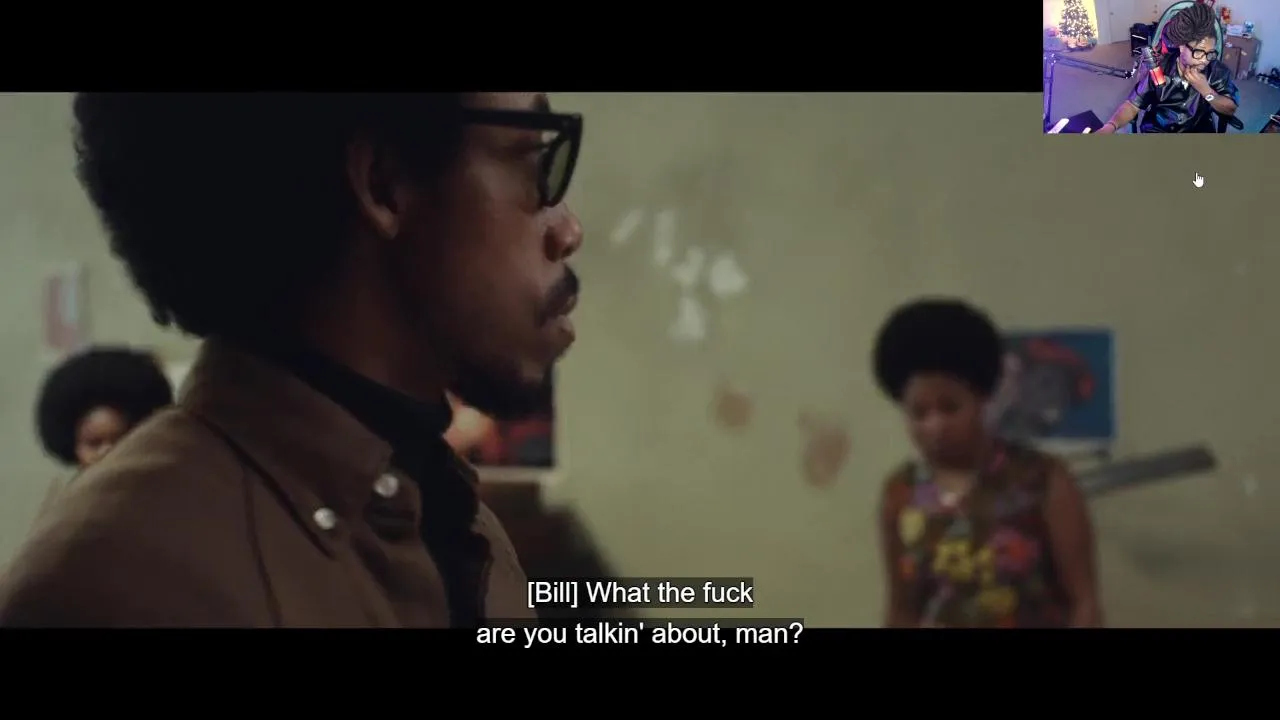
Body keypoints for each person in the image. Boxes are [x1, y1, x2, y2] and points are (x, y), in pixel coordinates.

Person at [0, 92, 585, 627]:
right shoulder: (118, 586)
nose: (568, 230)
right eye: (533, 159)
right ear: (384, 183)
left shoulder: (456, 524)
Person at [872, 298, 1102, 628]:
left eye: (950, 408)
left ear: (981, 399)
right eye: (919, 413)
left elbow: (1084, 602)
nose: (935, 427)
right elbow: (902, 610)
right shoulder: (901, 494)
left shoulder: (1042, 480)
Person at [32, 346, 173, 515]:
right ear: (74, 448)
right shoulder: (65, 516)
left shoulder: (171, 500)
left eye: (121, 440)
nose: (107, 452)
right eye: (94, 443)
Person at [1097, 3, 1239, 134]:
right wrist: (1111, 126)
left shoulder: (1217, 71)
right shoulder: (1159, 68)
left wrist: (1206, 91)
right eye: (1199, 52)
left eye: (1210, 53)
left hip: (1198, 128)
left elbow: (1230, 109)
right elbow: (1133, 105)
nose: (1205, 60)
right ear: (1181, 46)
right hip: (1159, 129)